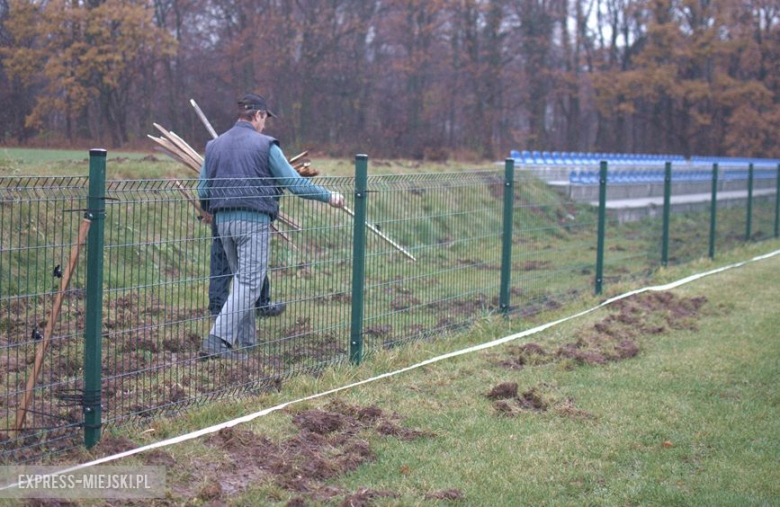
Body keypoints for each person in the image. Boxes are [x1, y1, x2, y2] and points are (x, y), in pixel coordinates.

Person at [198, 93, 344, 359]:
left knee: (242, 283)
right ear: (258, 115)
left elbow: (203, 189)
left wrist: (211, 212)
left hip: (222, 223)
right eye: (265, 118)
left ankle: (247, 343)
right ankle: (217, 341)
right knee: (249, 284)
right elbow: (294, 183)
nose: (265, 124)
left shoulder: (214, 145)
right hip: (252, 222)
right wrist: (329, 196)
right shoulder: (266, 146)